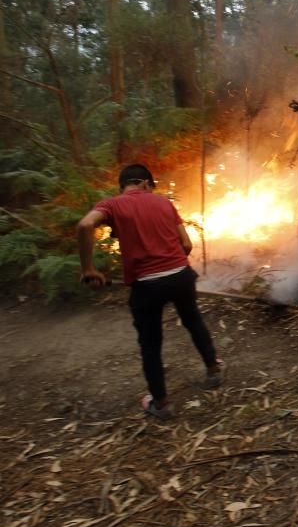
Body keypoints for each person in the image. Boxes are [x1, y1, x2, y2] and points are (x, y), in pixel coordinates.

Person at [77, 164, 223, 420]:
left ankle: (162, 404)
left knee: (151, 344)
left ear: (123, 186)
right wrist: (172, 265)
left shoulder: (112, 205)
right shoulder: (164, 203)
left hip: (147, 284)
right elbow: (186, 244)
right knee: (193, 321)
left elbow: (84, 225)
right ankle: (214, 371)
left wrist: (89, 268)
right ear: (145, 183)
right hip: (181, 275)